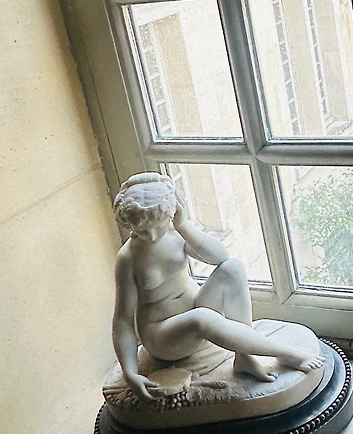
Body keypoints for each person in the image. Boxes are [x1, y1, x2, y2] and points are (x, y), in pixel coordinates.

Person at [112, 172, 320, 402]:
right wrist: (130, 372)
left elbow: (220, 257)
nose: (151, 236)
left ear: (172, 212)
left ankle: (245, 356)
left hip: (196, 311)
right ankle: (284, 353)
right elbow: (122, 320)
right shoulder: (128, 258)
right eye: (141, 230)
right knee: (202, 317)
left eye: (157, 226)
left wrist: (183, 225)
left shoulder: (177, 234)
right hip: (163, 336)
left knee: (232, 268)